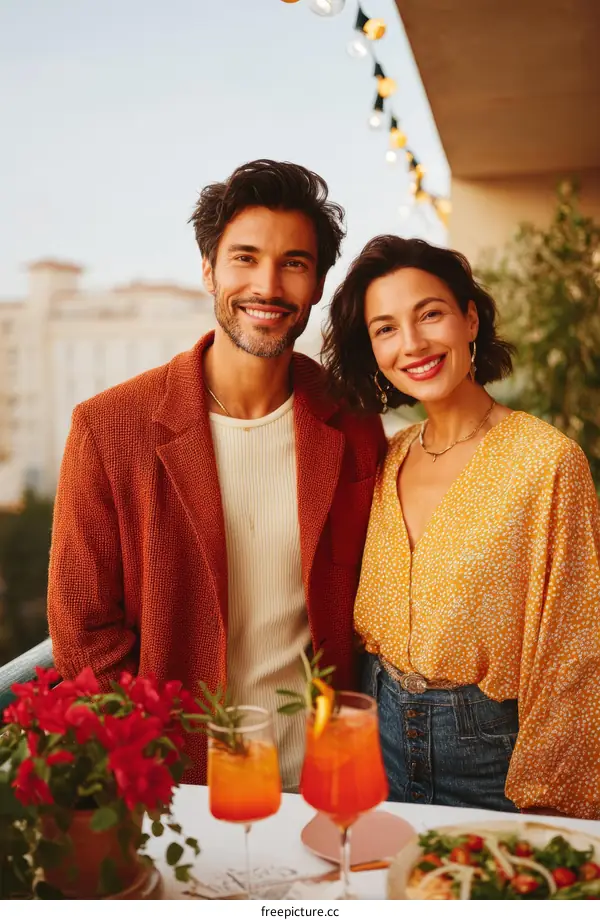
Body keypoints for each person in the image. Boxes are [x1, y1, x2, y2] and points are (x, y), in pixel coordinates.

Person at [47, 160, 386, 788]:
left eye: (293, 263)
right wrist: (150, 770)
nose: (268, 285)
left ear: (315, 285)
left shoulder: (355, 426)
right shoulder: (108, 428)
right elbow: (82, 630)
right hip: (181, 791)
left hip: (327, 783)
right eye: (245, 258)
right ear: (208, 270)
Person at [321, 235, 600, 819]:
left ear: (470, 319)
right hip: (380, 741)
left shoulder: (545, 461)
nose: (413, 344)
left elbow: (573, 655)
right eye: (385, 328)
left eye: (430, 314)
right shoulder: (389, 456)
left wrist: (552, 809)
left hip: (491, 757)